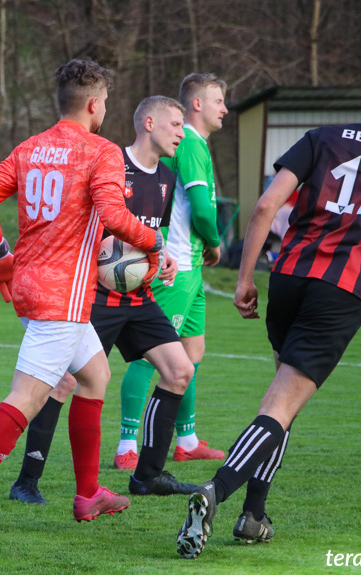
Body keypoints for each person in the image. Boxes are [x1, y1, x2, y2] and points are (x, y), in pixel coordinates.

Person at [175, 64, 361, 560]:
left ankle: (254, 517)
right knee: (279, 406)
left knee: (282, 397)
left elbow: (266, 206)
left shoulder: (322, 137)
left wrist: (247, 277)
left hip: (290, 278)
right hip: (341, 291)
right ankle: (215, 492)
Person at [0, 59, 164, 539]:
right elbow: (113, 214)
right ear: (96, 104)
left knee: (95, 375)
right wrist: (155, 243)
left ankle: (88, 493)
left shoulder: (30, 148)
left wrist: (0, 255)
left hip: (35, 289)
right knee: (28, 396)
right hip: (62, 297)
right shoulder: (100, 151)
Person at [8, 96, 199, 505]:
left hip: (140, 298)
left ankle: (147, 476)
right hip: (92, 297)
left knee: (179, 370)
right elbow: (85, 224)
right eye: (176, 125)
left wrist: (159, 257)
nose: (182, 133)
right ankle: (27, 480)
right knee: (62, 381)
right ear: (149, 123)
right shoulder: (109, 160)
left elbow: (150, 236)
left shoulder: (166, 178)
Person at [115, 73, 228, 470]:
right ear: (196, 103)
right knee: (151, 356)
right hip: (176, 266)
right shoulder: (192, 147)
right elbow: (200, 208)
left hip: (191, 267)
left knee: (192, 353)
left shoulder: (189, 145)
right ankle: (128, 444)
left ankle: (188, 440)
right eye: (218, 101)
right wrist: (214, 242)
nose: (225, 109)